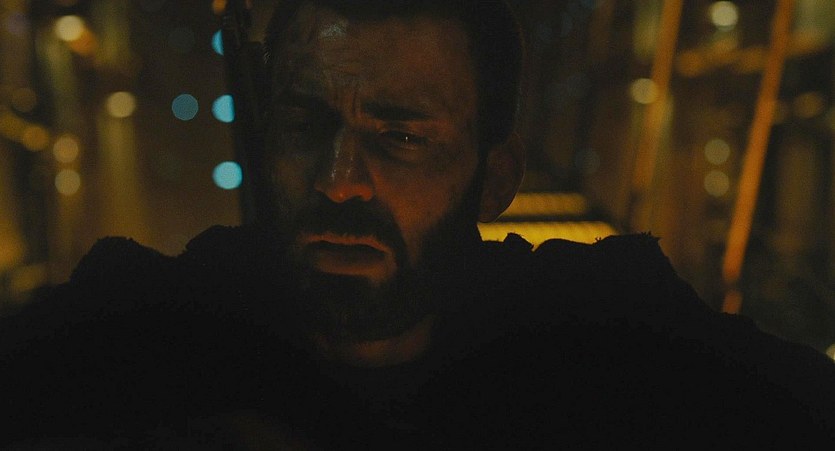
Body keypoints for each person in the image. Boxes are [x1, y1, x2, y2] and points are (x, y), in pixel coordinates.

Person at [2, 0, 834, 448]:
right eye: (303, 125)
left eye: (399, 138)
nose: (339, 181)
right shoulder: (151, 328)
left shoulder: (609, 334)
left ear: (494, 179)